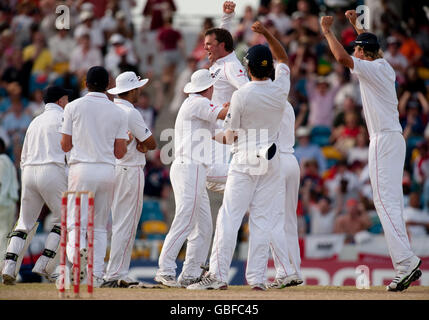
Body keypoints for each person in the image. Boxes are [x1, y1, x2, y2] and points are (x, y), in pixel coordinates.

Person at [320, 10, 421, 291]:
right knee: (390, 202)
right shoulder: (383, 65)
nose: (356, 54)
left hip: (383, 140)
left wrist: (328, 31)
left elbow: (341, 59)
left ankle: (405, 262)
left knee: (384, 202)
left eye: (358, 49)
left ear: (365, 52)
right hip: (392, 137)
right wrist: (355, 25)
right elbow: (365, 46)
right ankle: (405, 261)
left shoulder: (374, 67)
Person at [188, 21, 292, 291]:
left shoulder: (242, 95)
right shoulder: (281, 87)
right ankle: (257, 279)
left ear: (247, 69)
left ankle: (217, 276)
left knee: (229, 217)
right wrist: (268, 33)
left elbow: (230, 136)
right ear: (269, 67)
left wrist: (209, 134)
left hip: (246, 158)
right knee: (262, 220)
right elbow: (282, 57)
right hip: (272, 159)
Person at [154, 69, 228, 287]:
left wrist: (241, 138)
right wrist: (243, 103)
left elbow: (222, 136)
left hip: (195, 168)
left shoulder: (200, 107)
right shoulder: (197, 102)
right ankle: (165, 270)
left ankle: (190, 274)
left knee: (203, 226)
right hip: (189, 167)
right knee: (185, 220)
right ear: (209, 87)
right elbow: (224, 114)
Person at [60, 66, 128, 287]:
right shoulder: (118, 111)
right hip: (107, 171)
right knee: (99, 226)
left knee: (75, 223)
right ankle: (96, 276)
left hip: (81, 170)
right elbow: (120, 153)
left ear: (85, 83)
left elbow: (65, 145)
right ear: (108, 84)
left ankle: (77, 253)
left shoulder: (73, 107)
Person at [1, 86, 70, 285]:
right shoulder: (63, 119)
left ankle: (9, 267)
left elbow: (23, 154)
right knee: (67, 219)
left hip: (29, 171)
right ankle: (45, 264)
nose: (67, 102)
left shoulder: (34, 121)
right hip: (52, 169)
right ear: (59, 101)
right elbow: (68, 150)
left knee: (24, 222)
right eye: (66, 98)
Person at [102, 71, 156, 287]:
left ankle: (110, 271)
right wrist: (142, 144)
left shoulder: (110, 109)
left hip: (112, 168)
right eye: (138, 88)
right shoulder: (131, 112)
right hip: (130, 170)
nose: (140, 91)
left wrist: (140, 142)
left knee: (115, 223)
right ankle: (116, 273)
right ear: (132, 90)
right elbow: (151, 143)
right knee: (127, 223)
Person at [0, 138, 19, 268]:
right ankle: (4, 266)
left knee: (4, 235)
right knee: (5, 235)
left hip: (4, 201)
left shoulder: (2, 160)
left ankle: (3, 266)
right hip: (7, 201)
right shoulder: (7, 161)